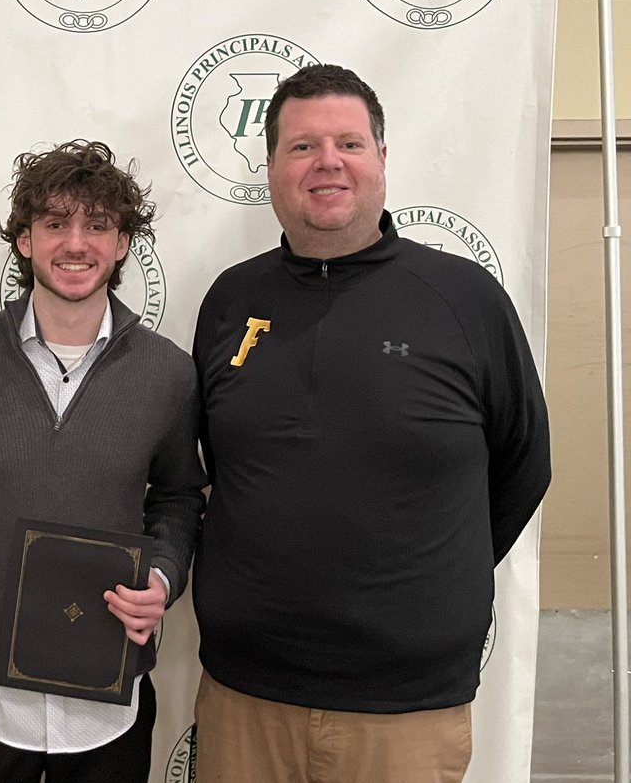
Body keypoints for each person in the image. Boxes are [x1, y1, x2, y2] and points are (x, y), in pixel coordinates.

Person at [190, 64, 551, 782]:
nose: (328, 162)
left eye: (349, 143)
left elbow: (524, 464)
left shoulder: (463, 298)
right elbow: (212, 465)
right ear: (271, 168)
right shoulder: (231, 300)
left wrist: (426, 586)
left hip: (406, 712)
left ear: (382, 160)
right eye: (302, 147)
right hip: (245, 699)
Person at [0, 139, 208, 782]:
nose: (76, 243)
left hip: (107, 686)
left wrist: (162, 580)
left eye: (97, 225)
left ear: (122, 244)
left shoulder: (167, 371)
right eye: (55, 224)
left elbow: (178, 496)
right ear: (24, 241)